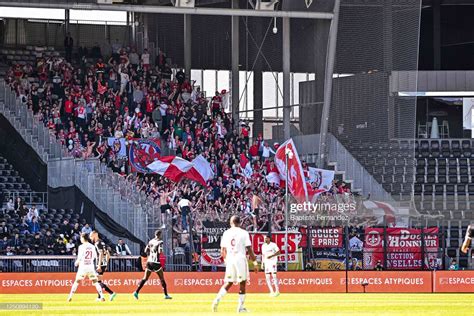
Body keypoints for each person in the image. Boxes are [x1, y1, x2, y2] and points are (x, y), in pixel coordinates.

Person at [212, 215, 258, 313]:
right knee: (242, 283)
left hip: (230, 259)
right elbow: (249, 249)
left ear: (230, 223)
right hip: (240, 259)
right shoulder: (244, 233)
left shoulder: (226, 233)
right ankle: (240, 307)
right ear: (239, 223)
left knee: (229, 282)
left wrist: (225, 260)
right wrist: (254, 262)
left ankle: (216, 300)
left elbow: (223, 250)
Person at [133, 230, 171, 300]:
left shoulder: (151, 241)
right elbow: (160, 251)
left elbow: (145, 250)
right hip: (156, 263)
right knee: (162, 278)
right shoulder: (160, 242)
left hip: (149, 261)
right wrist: (160, 252)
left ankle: (136, 292)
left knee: (145, 278)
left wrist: (150, 253)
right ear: (160, 235)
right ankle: (166, 295)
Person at [67, 233, 104, 302]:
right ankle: (102, 296)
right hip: (90, 267)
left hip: (83, 267)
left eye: (81, 238)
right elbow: (95, 257)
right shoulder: (92, 246)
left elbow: (79, 257)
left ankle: (70, 297)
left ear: (83, 238)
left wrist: (76, 263)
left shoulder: (81, 247)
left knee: (77, 281)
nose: (80, 239)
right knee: (95, 281)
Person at [90, 230, 116, 301]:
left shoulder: (97, 243)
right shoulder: (102, 242)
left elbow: (101, 253)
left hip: (100, 263)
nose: (90, 237)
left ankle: (111, 293)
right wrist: (106, 264)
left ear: (95, 234)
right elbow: (108, 254)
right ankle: (100, 297)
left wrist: (99, 265)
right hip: (103, 263)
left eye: (91, 235)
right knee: (99, 281)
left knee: (96, 282)